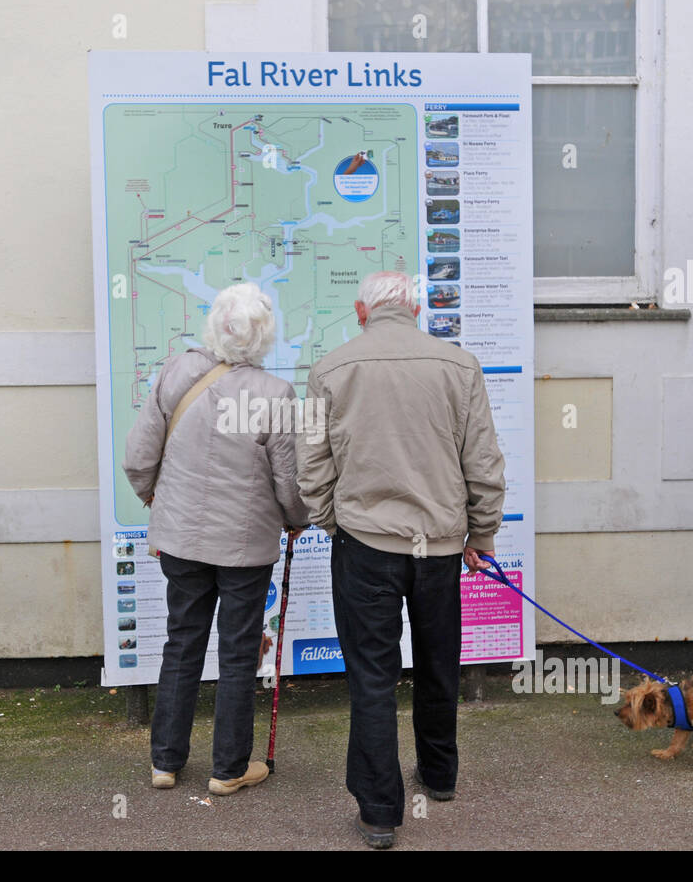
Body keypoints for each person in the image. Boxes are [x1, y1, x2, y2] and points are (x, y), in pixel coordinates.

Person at [296, 270, 505, 848]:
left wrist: (330, 520)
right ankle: (439, 776)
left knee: (372, 676)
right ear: (416, 309)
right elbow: (483, 462)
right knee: (439, 664)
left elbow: (311, 464)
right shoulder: (460, 367)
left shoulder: (328, 370)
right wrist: (481, 536)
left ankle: (380, 812)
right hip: (438, 548)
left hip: (365, 545)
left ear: (362, 311)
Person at [123, 282, 308, 796]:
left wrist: (155, 501)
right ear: (265, 337)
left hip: (180, 542)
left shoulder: (175, 372)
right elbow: (289, 483)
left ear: (214, 325)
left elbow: (139, 457)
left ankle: (165, 763)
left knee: (182, 642)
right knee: (238, 650)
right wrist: (298, 519)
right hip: (245, 548)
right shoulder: (275, 395)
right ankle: (228, 769)